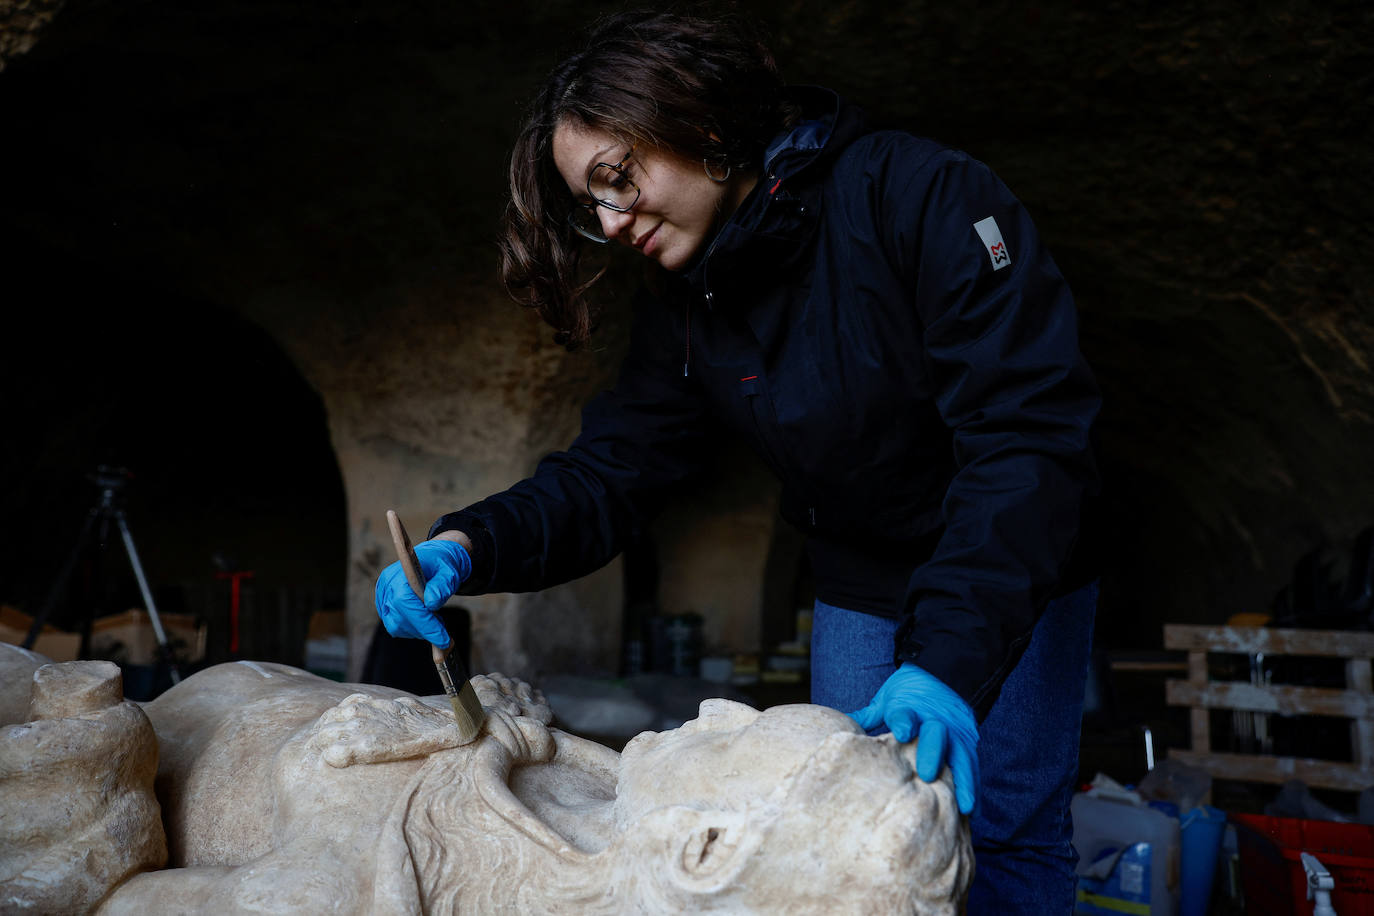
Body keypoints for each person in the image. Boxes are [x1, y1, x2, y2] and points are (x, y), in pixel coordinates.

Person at [374, 8, 1100, 913]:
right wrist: (472, 546)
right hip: (861, 581)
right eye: (590, 201)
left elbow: (1026, 440)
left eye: (616, 178)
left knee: (1002, 833)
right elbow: (615, 469)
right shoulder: (689, 297)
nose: (609, 216)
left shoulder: (923, 196)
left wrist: (951, 663)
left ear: (702, 130)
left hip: (1012, 562)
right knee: (848, 834)